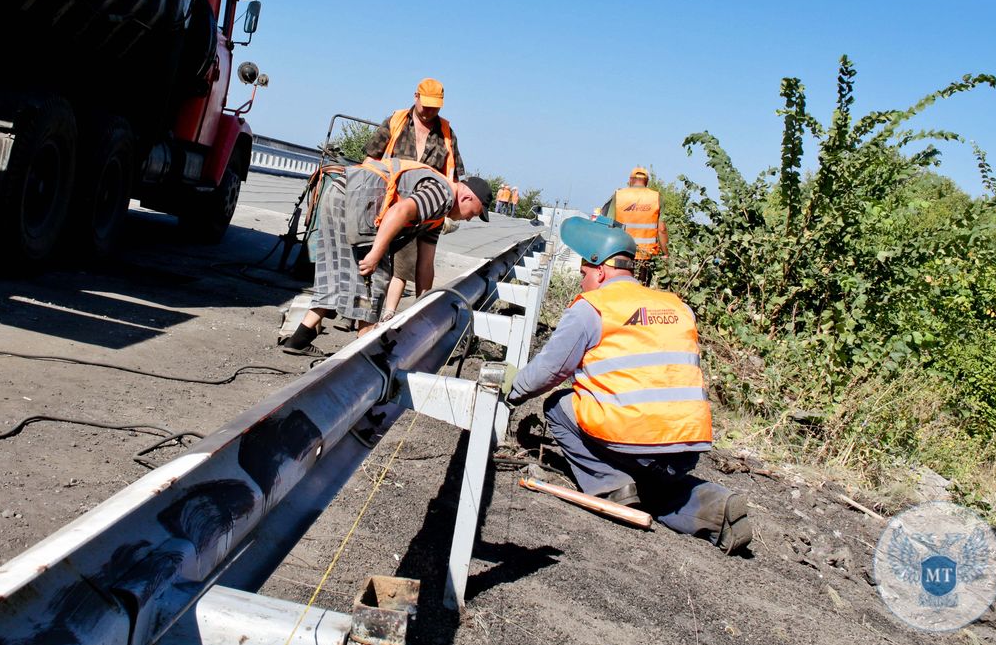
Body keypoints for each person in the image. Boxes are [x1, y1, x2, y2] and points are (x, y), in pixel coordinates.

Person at [503, 216, 751, 553]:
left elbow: (550, 371)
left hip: (632, 442)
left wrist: (511, 393)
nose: (582, 283)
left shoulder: (593, 309)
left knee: (558, 407)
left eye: (584, 275)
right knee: (656, 482)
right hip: (688, 447)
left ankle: (611, 487)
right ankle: (715, 508)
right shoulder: (678, 307)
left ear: (600, 270)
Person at [280, 157, 492, 354]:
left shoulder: (436, 217)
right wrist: (375, 254)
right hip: (356, 199)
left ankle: (300, 339)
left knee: (337, 272)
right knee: (376, 278)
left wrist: (424, 306)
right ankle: (365, 351)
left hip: (340, 193)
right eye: (474, 213)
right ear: (466, 197)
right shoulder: (443, 194)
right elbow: (399, 212)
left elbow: (425, 265)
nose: (470, 219)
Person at [363, 78, 466, 321]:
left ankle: (419, 314)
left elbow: (454, 173)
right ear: (415, 97)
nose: (430, 111)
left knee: (422, 262)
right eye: (426, 105)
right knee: (376, 256)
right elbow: (371, 158)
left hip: (429, 208)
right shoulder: (396, 121)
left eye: (436, 107)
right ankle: (362, 312)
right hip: (390, 203)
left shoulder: (446, 133)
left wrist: (449, 209)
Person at [600, 166, 668, 281]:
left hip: (621, 251)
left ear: (630, 180)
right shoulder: (656, 197)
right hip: (646, 256)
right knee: (641, 287)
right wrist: (666, 254)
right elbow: (662, 229)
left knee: (621, 285)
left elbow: (608, 224)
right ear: (646, 181)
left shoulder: (619, 195)